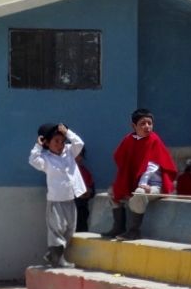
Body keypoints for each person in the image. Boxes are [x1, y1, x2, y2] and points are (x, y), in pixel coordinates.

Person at [103, 108, 177, 241]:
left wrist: (143, 184)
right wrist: (125, 182)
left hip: (154, 185)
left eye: (150, 123)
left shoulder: (154, 140)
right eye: (143, 123)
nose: (147, 126)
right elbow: (119, 157)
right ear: (134, 126)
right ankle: (118, 227)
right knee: (113, 191)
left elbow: (151, 166)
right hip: (137, 182)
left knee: (139, 193)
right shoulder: (129, 140)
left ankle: (134, 231)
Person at [29, 123, 86, 268]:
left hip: (70, 199)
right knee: (57, 230)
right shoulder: (45, 159)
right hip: (56, 201)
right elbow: (33, 160)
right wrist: (38, 146)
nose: (60, 145)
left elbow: (79, 143)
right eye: (56, 141)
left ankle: (54, 254)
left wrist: (67, 132)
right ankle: (58, 258)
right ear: (47, 143)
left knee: (70, 229)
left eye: (62, 141)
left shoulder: (69, 152)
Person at [74, 147, 95, 232]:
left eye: (81, 155)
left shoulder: (85, 172)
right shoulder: (62, 172)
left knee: (81, 231)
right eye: (77, 155)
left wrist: (88, 192)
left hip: (82, 209)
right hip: (68, 209)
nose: (79, 158)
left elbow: (92, 191)